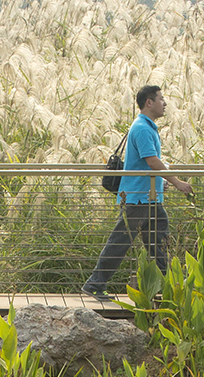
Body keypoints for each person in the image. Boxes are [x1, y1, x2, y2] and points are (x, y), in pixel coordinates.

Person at [82, 84, 192, 300]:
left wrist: (161, 183)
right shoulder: (141, 128)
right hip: (139, 198)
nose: (165, 103)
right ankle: (94, 284)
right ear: (149, 102)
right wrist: (177, 182)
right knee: (121, 241)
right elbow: (152, 161)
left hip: (150, 197)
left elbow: (148, 163)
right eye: (161, 99)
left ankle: (166, 288)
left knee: (160, 244)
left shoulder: (147, 127)